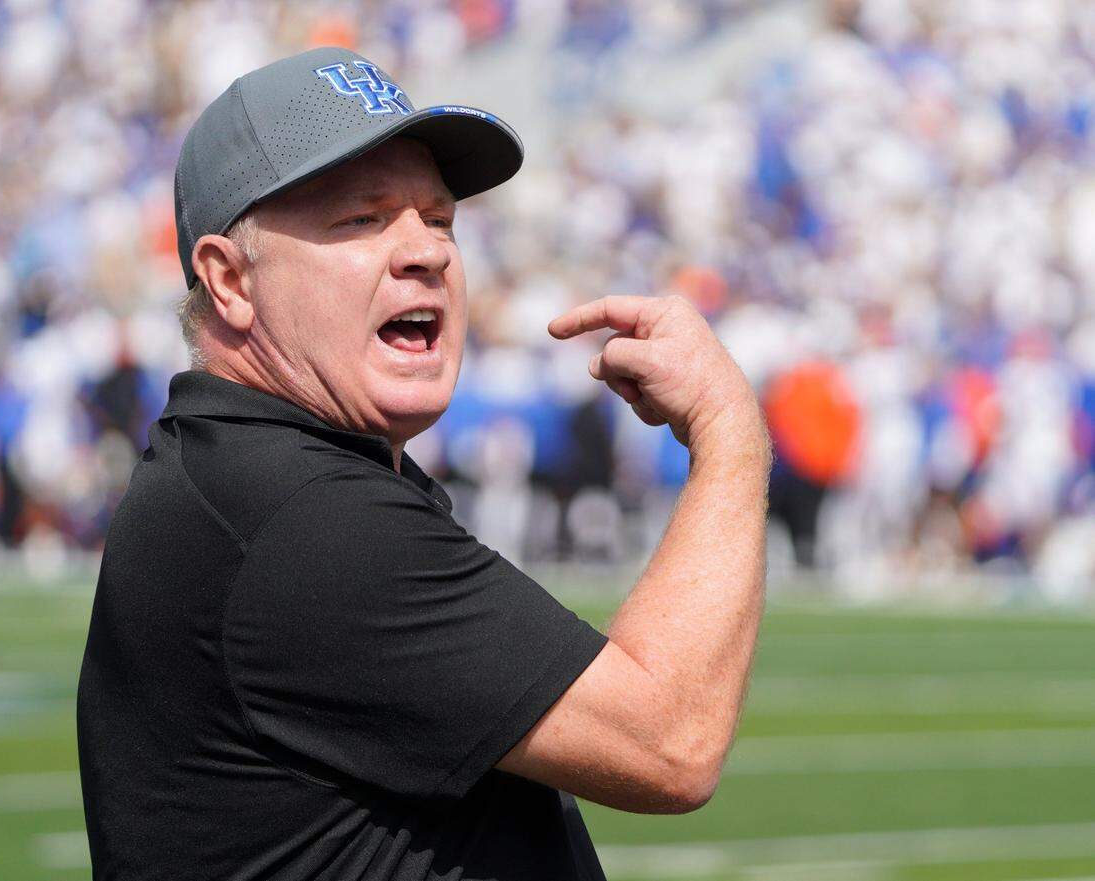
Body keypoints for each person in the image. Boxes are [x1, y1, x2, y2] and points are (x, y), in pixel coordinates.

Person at [76, 46, 771, 881]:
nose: (426, 252)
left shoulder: (244, 476)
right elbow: (671, 739)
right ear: (229, 280)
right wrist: (731, 431)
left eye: (439, 219)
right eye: (362, 220)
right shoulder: (297, 516)